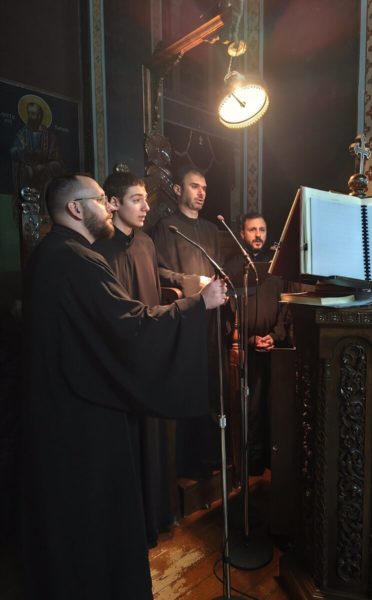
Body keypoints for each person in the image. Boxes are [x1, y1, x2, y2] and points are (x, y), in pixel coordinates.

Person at [21, 173, 227, 600]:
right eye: (101, 199)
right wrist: (196, 305)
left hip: (59, 408)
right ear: (76, 208)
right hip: (83, 414)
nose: (108, 206)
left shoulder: (51, 253)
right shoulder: (76, 259)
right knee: (96, 517)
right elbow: (130, 327)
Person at [93, 171, 178, 547]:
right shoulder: (98, 248)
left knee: (153, 441)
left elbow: (153, 294)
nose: (146, 207)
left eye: (146, 199)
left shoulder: (146, 243)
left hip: (149, 353)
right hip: (117, 361)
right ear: (113, 203)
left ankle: (157, 516)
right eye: (136, 199)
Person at [151, 166, 222, 478]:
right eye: (194, 186)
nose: (201, 192)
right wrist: (192, 281)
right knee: (188, 382)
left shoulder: (211, 229)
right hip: (183, 315)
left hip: (212, 319)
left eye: (204, 187)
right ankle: (186, 464)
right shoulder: (166, 227)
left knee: (211, 383)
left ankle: (210, 458)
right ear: (178, 190)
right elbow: (158, 270)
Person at [225, 212, 289, 475]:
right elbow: (227, 315)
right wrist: (249, 338)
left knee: (273, 407)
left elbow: (284, 309)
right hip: (246, 351)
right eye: (252, 230)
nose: (258, 235)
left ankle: (271, 462)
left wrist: (274, 336)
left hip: (274, 350)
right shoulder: (232, 268)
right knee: (249, 409)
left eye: (262, 229)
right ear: (242, 234)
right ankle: (249, 464)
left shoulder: (277, 267)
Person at [10, 97, 64, 214]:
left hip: (43, 181)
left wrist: (43, 167)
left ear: (40, 115)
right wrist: (22, 154)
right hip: (26, 181)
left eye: (33, 114)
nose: (30, 117)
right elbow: (13, 151)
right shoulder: (22, 133)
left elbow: (57, 162)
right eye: (29, 113)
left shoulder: (50, 137)